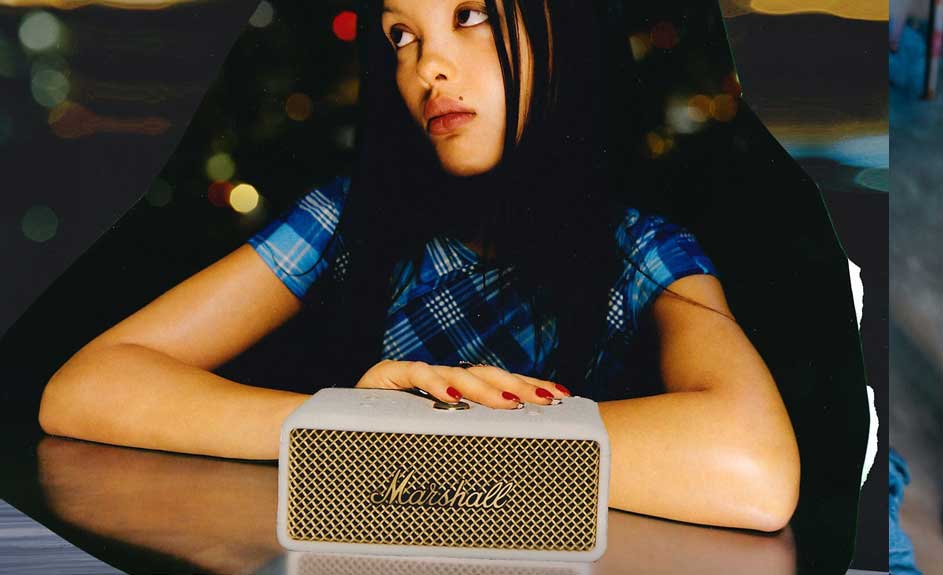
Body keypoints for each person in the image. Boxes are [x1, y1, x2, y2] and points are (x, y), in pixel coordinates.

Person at [37, 0, 800, 532]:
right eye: (400, 36)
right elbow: (84, 389)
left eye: (470, 16)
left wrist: (400, 435)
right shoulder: (348, 218)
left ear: (560, 31)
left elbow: (754, 467)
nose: (427, 65)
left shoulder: (643, 251)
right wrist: (353, 423)